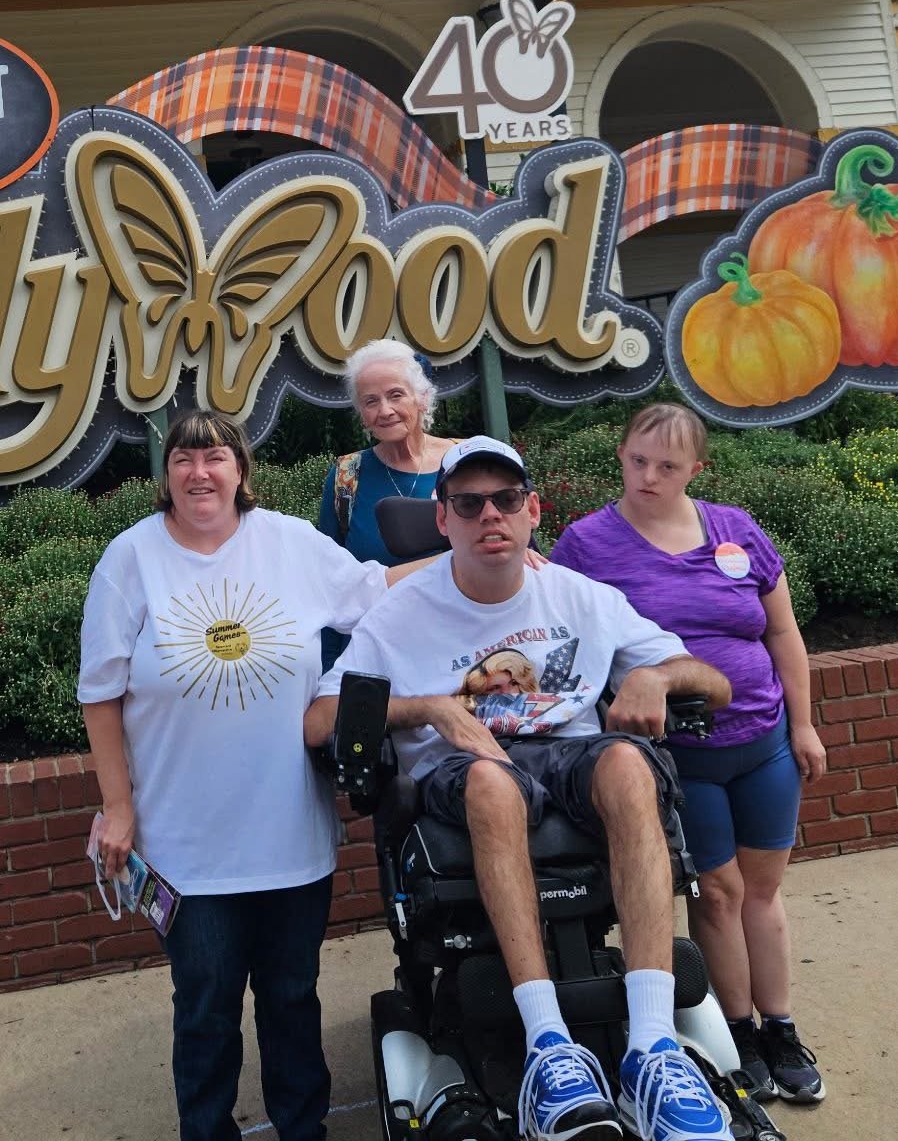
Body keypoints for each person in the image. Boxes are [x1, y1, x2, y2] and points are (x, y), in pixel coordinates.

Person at [306, 436, 735, 1141]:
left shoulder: (580, 596)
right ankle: (548, 1048)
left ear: (533, 509)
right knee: (489, 781)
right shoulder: (401, 612)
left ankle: (653, 1048)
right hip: (465, 770)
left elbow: (711, 682)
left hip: (572, 761)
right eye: (469, 504)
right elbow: (321, 720)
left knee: (629, 762)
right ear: (442, 519)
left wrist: (655, 677)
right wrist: (429, 709)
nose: (490, 516)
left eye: (506, 500)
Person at [79, 408, 427, 1141]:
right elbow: (100, 694)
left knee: (292, 1000)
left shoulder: (288, 544)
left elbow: (376, 593)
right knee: (204, 1009)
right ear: (165, 475)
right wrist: (119, 808)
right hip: (186, 847)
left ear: (242, 472)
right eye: (184, 459)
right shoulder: (130, 559)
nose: (199, 472)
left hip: (288, 837)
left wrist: (475, 554)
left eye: (216, 458)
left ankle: (304, 1130)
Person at [549, 404, 826, 1107]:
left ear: (697, 470)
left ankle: (781, 1027)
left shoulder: (735, 530)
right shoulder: (585, 545)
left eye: (668, 467)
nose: (649, 476)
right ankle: (736, 1030)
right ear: (620, 456)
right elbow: (559, 635)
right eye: (637, 460)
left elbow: (783, 632)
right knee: (715, 893)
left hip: (763, 743)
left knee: (762, 893)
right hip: (679, 761)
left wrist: (804, 726)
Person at [316, 338, 461, 566]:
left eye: (396, 395)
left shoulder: (465, 459)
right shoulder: (346, 477)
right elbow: (328, 567)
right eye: (371, 401)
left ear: (422, 398)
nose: (385, 411)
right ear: (362, 414)